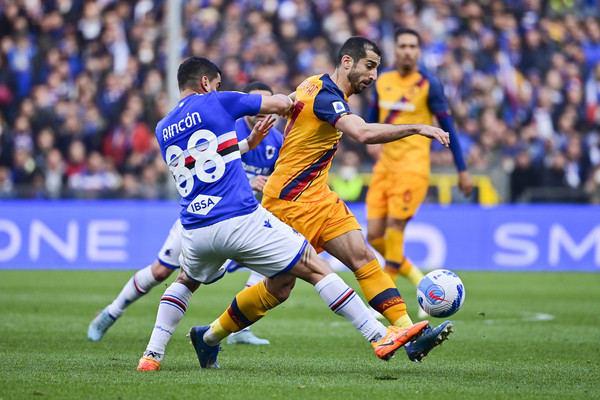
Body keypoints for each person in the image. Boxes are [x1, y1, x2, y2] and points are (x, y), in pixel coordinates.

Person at [137, 56, 431, 371]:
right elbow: (279, 103)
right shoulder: (218, 101)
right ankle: (378, 335)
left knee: (184, 282)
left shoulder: (163, 127)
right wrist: (300, 93)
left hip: (194, 227)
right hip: (238, 218)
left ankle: (152, 355)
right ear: (206, 83)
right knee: (315, 267)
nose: (217, 90)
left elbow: (206, 156)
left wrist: (248, 143)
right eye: (217, 85)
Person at [259, 36, 454, 363]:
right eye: (370, 66)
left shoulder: (312, 83)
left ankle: (410, 335)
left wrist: (275, 107)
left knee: (364, 256)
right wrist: (417, 126)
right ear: (347, 62)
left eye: (377, 68)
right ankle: (211, 334)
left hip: (318, 198)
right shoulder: (326, 95)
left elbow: (288, 101)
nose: (374, 75)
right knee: (279, 289)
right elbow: (362, 133)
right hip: (288, 202)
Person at [88, 82, 283, 345]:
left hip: (241, 217)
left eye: (267, 103)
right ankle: (112, 312)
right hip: (200, 215)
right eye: (258, 103)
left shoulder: (275, 139)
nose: (263, 110)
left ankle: (238, 330)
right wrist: (249, 176)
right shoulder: (225, 123)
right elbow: (207, 165)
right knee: (159, 272)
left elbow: (281, 178)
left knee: (273, 264)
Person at [365, 28, 473, 318]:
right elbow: (373, 120)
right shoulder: (382, 80)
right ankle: (421, 281)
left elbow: (449, 129)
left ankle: (388, 302)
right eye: (403, 45)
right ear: (395, 49)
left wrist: (462, 170)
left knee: (395, 230)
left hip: (413, 168)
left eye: (413, 46)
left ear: (419, 51)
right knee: (374, 236)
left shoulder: (429, 84)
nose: (408, 51)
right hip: (384, 167)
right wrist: (372, 144)